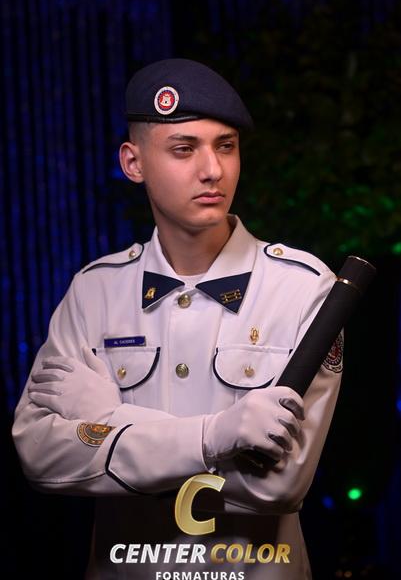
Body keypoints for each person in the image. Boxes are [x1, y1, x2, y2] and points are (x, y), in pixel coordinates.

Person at [12, 58, 342, 579]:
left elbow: (278, 486)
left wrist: (109, 422)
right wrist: (215, 437)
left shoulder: (303, 288)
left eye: (226, 146)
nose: (213, 170)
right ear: (133, 162)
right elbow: (40, 454)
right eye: (184, 149)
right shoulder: (95, 290)